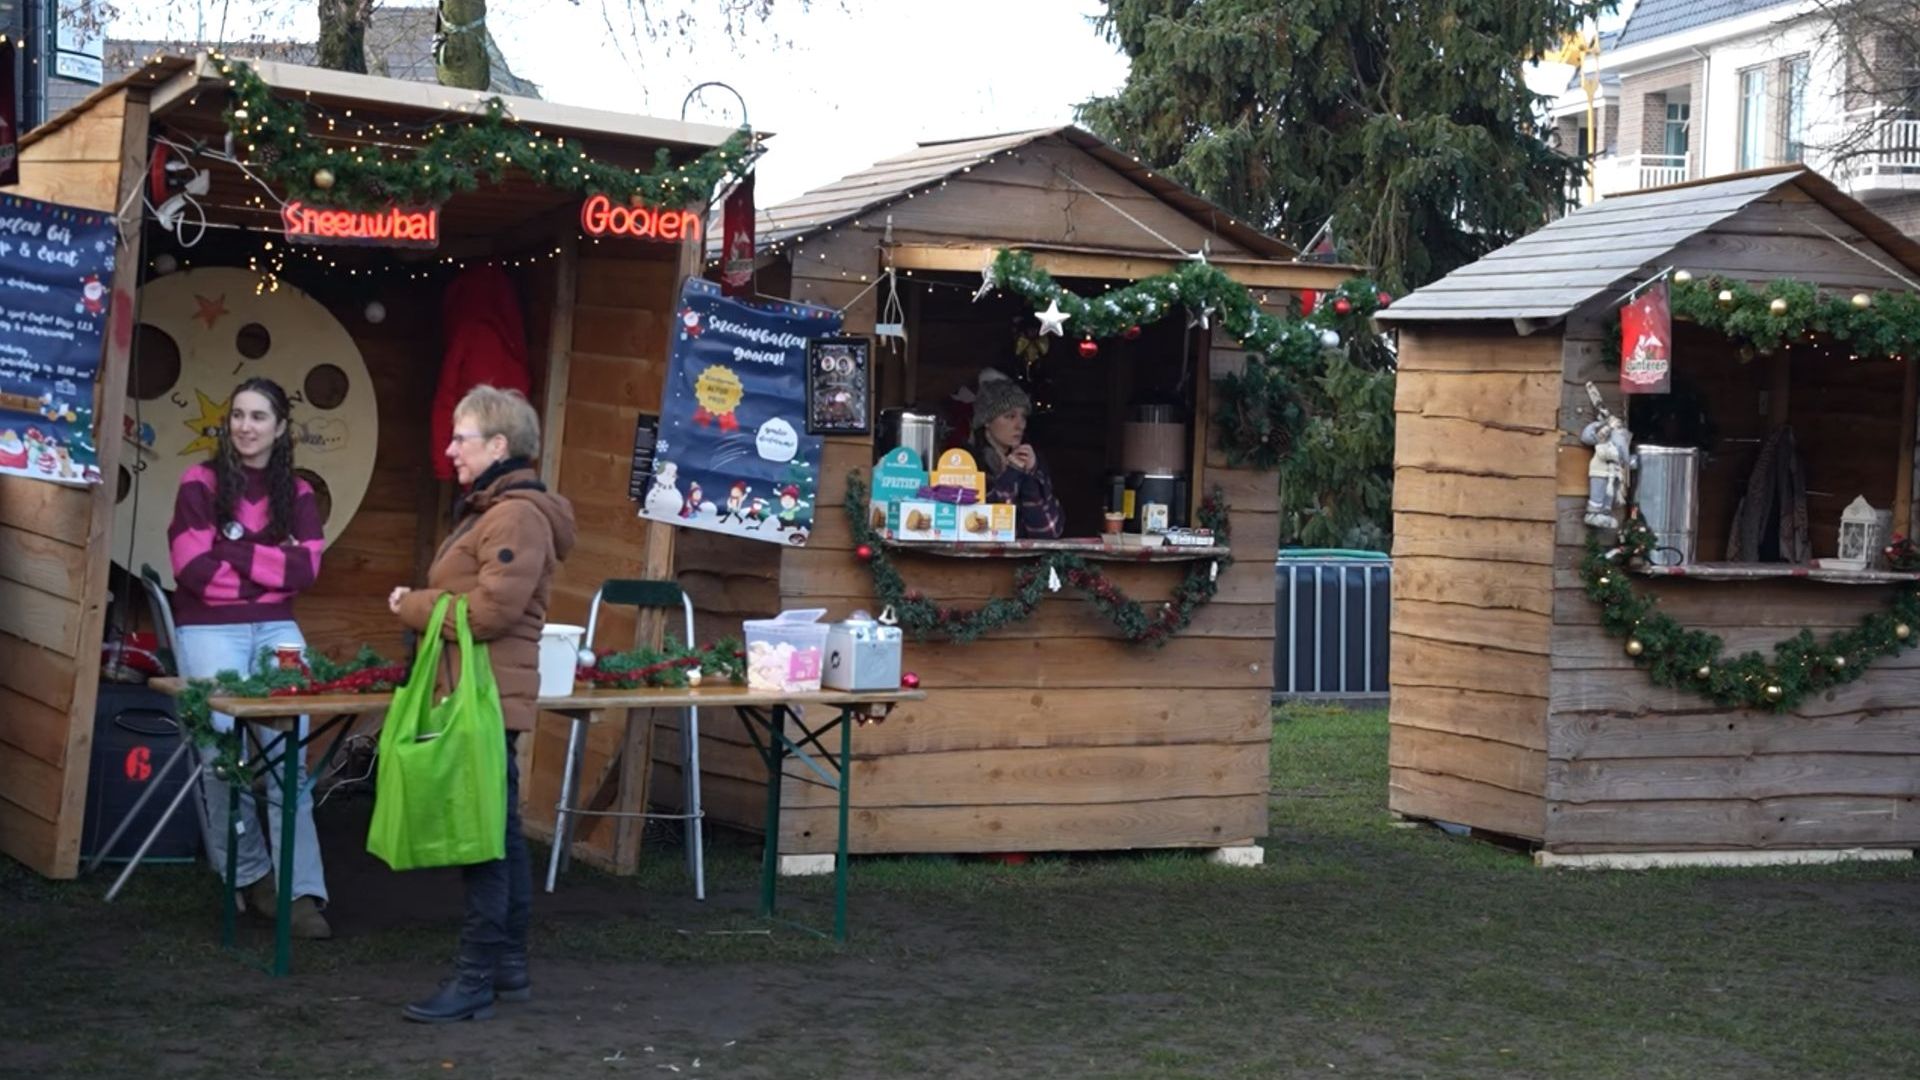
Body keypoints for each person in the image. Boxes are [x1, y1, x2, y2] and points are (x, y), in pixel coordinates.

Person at [388, 385, 576, 1023]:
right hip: (483, 692)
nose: (450, 450)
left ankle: (473, 979)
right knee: (497, 833)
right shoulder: (495, 510)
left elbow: (492, 611)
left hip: (486, 696)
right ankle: (506, 967)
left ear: (498, 446)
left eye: (460, 438)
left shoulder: (514, 517)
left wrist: (414, 605)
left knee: (481, 842)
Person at [168, 376, 331, 940]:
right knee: (223, 749)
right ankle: (251, 874)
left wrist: (232, 551)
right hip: (209, 627)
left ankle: (300, 891)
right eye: (237, 415)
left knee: (292, 755)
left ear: (280, 427)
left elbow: (306, 570)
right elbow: (191, 569)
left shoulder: (298, 493)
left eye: (258, 416)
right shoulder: (199, 483)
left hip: (277, 629)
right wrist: (269, 565)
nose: (245, 426)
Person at [969, 378, 1063, 539]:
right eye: (1010, 416)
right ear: (987, 421)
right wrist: (1011, 474)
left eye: (1023, 417)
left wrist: (1030, 476)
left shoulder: (1032, 460)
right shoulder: (969, 462)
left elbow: (1049, 531)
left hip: (1023, 555)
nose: (1021, 425)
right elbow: (982, 526)